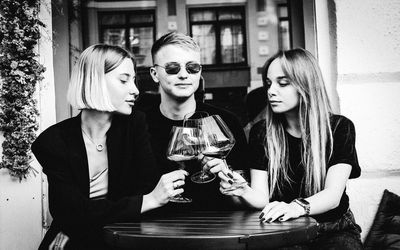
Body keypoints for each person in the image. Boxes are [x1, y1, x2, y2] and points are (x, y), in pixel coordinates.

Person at [32, 44, 187, 249]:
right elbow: (68, 212)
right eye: (124, 80)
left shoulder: (134, 125)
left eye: (133, 80)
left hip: (120, 236)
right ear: (94, 81)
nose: (135, 90)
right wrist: (146, 201)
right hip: (72, 241)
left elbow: (149, 185)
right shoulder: (53, 141)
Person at [219, 48, 363, 249]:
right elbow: (262, 197)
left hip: (334, 230)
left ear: (306, 85)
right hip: (282, 231)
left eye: (283, 83)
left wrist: (297, 207)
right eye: (269, 83)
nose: (270, 91)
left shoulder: (339, 128)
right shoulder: (262, 132)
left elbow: (332, 196)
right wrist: (243, 190)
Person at [136, 32, 249, 211]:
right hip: (153, 231)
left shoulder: (227, 122)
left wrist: (228, 177)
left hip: (219, 230)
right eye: (172, 68)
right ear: (154, 74)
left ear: (200, 72)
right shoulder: (138, 125)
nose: (183, 75)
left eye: (192, 68)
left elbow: (243, 196)